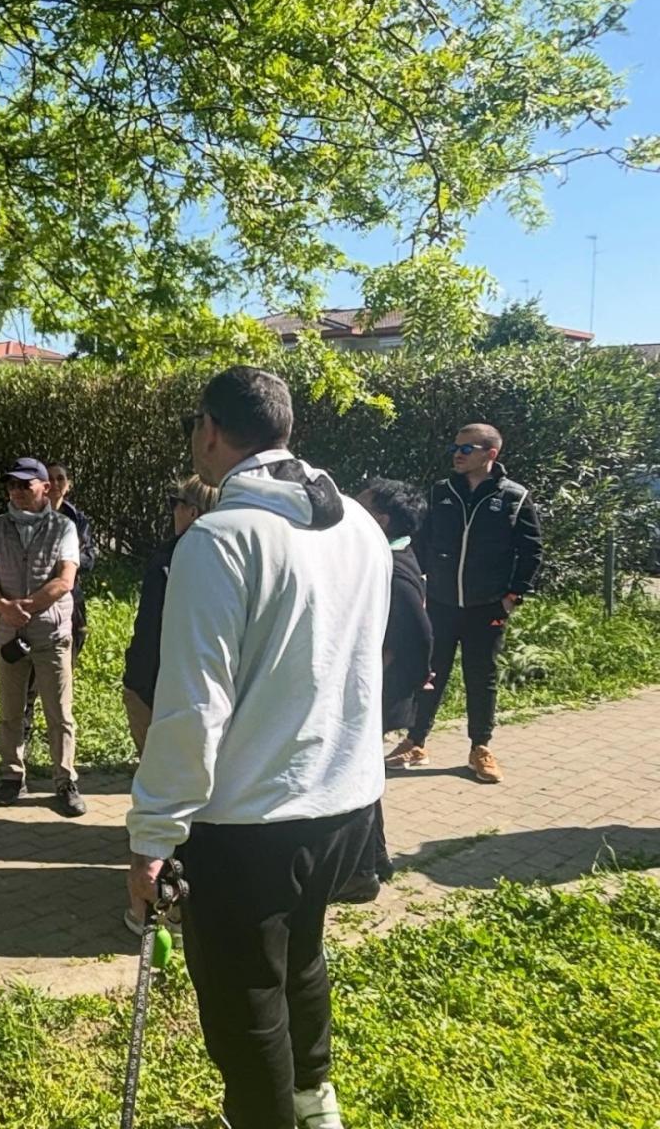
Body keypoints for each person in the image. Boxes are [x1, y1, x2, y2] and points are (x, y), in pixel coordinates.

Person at [127, 367, 389, 1129]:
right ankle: (315, 1106)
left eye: (194, 428)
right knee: (301, 958)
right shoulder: (360, 527)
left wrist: (151, 837)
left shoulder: (218, 540)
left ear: (210, 430)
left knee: (244, 1003)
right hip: (344, 804)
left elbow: (190, 709)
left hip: (249, 826)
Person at [390, 423, 543, 783]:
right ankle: (415, 742)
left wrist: (513, 596)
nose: (457, 455)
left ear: (491, 453)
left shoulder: (514, 497)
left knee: (481, 676)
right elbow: (422, 541)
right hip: (440, 603)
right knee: (430, 673)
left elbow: (532, 551)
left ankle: (480, 748)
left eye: (466, 448)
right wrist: (418, 584)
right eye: (455, 448)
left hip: (487, 607)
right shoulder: (441, 491)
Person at [336, 479, 434, 904]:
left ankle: (363, 871)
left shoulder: (393, 566)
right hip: (374, 687)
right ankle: (373, 861)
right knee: (360, 772)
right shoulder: (387, 553)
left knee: (355, 775)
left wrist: (412, 675)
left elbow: (421, 631)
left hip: (378, 690)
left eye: (362, 505)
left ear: (382, 519)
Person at [0, 457, 85, 817]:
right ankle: (12, 777)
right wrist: (3, 607)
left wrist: (27, 606)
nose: (17, 491)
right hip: (9, 631)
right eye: (12, 485)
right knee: (10, 711)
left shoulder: (64, 527)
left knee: (59, 712)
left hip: (51, 631)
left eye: (25, 484)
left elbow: (65, 579)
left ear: (46, 487)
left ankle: (65, 780)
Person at [121, 474, 219, 754]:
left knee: (157, 772)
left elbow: (152, 628)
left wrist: (136, 683)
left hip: (156, 685)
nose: (173, 510)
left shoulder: (170, 559)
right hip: (209, 691)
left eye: (175, 502)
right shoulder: (232, 559)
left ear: (192, 511)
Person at [22, 463, 95, 743]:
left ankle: (57, 728)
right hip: (35, 601)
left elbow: (89, 558)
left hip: (71, 602)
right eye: (49, 478)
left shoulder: (78, 520)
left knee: (64, 665)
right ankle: (24, 725)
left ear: (68, 484)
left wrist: (66, 563)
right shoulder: (27, 516)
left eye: (60, 478)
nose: (55, 483)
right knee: (29, 666)